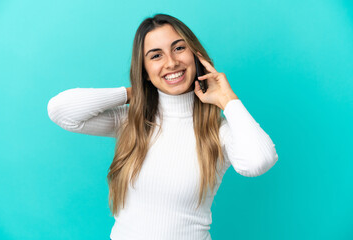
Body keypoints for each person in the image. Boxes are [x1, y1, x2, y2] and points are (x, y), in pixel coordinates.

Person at [47, 13, 278, 240]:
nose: (171, 62)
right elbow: (61, 111)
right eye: (156, 56)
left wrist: (227, 99)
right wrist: (135, 92)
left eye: (179, 48)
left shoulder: (217, 131)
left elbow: (260, 161)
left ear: (196, 56)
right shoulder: (131, 121)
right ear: (144, 71)